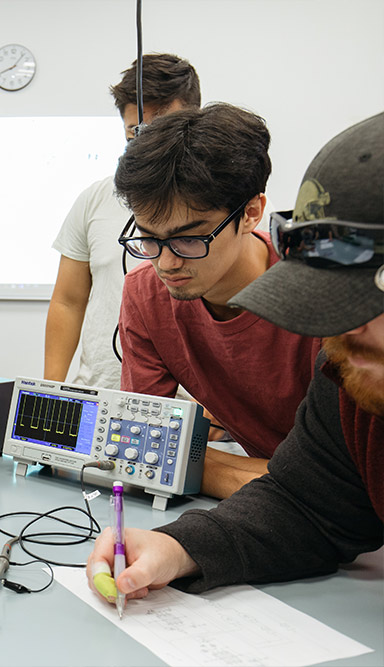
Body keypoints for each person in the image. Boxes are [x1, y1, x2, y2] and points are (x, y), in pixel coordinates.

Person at [86, 112, 384, 599]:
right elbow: (308, 504)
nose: (342, 325)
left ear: (250, 213)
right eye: (332, 293)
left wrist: (188, 459)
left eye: (375, 289)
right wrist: (178, 548)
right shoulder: (353, 365)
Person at [114, 103, 321, 499]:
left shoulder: (319, 298)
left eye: (190, 238)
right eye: (150, 238)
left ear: (252, 213)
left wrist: (188, 461)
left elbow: (341, 484)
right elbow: (138, 455)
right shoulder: (146, 295)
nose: (166, 262)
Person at [44, 54, 200, 386]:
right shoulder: (94, 199)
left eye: (163, 125)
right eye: (136, 132)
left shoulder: (231, 205)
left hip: (193, 406)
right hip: (101, 394)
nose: (149, 143)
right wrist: (50, 389)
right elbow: (68, 301)